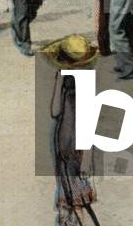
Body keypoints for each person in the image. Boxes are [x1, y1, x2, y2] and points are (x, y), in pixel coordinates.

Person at [42, 35, 100, 226]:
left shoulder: (86, 84)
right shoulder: (64, 79)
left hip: (77, 148)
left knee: (75, 197)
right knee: (66, 193)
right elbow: (55, 111)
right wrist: (59, 80)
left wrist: (88, 158)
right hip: (61, 142)